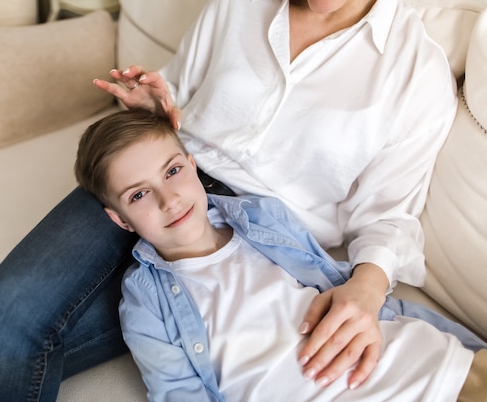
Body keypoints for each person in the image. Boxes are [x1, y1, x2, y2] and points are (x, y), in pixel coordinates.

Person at [0, 0, 466, 400]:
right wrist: (157, 112)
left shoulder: (415, 71)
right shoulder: (239, 0)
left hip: (257, 235)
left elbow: (392, 214)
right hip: (167, 173)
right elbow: (177, 106)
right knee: (10, 307)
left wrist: (368, 287)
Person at [73, 107, 485, 401]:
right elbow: (176, 391)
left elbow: (345, 287)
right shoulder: (146, 299)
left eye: (173, 171)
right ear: (121, 219)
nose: (169, 199)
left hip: (391, 355)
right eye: (140, 194)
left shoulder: (261, 218)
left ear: (193, 166)